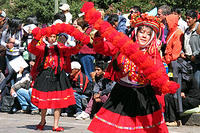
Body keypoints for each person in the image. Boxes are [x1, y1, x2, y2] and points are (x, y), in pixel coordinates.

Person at [80, 2, 179, 132]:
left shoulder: (153, 56)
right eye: (141, 32)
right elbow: (104, 48)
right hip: (121, 93)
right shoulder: (123, 47)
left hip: (142, 95)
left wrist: (163, 83)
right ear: (136, 33)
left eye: (148, 34)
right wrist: (99, 35)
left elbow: (160, 78)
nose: (144, 36)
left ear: (152, 37)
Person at [28, 23, 89, 131]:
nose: (52, 39)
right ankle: (42, 121)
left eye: (54, 37)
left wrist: (81, 42)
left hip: (58, 75)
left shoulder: (61, 47)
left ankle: (55, 125)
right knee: (44, 101)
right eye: (50, 36)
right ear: (46, 37)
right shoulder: (41, 48)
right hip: (45, 75)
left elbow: (73, 50)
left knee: (58, 101)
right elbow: (31, 48)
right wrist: (36, 38)